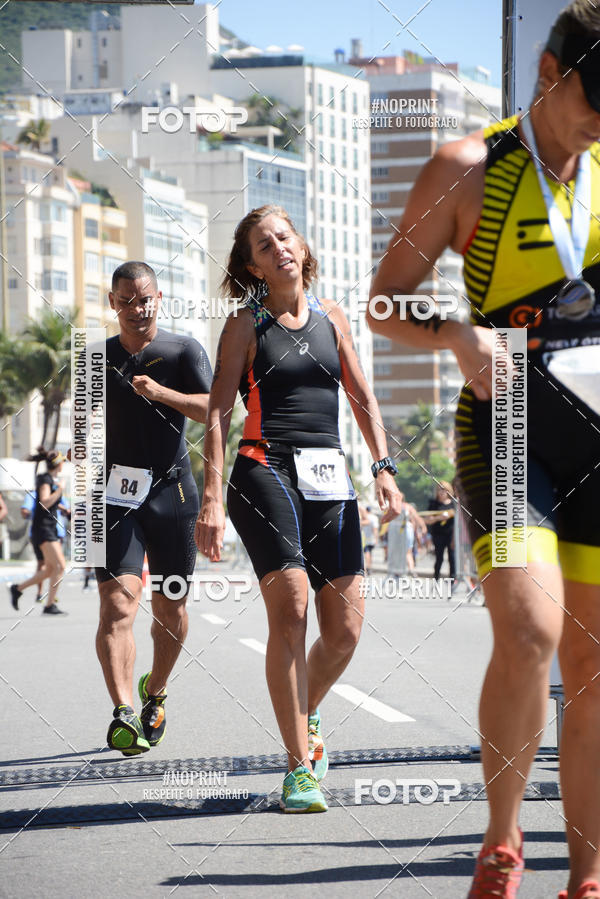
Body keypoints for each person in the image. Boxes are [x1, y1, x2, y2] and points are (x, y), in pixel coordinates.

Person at [369, 4, 600, 896]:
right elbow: (386, 299)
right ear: (549, 70)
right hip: (505, 424)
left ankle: (585, 873)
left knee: (592, 662)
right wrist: (459, 335)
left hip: (595, 431)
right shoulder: (467, 168)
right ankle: (503, 841)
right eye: (593, 95)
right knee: (532, 627)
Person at [195, 205, 402, 812]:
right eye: (264, 244)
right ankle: (297, 769)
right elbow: (216, 411)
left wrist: (384, 469)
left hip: (329, 474)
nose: (278, 247)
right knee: (292, 604)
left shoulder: (333, 316)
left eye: (284, 236)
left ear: (300, 244)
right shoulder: (244, 325)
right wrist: (210, 496)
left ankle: (305, 712)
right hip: (263, 467)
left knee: (344, 631)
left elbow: (362, 397)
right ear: (252, 264)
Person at [96, 261, 211, 757]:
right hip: (116, 496)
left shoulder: (183, 350)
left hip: (174, 495)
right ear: (112, 303)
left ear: (158, 298)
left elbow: (217, 410)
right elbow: (82, 430)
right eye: (126, 301)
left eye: (144, 299)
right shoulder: (96, 358)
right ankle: (123, 713)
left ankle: (155, 690)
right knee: (118, 604)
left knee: (171, 607)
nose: (136, 309)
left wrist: (162, 393)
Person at [10, 448, 67, 615]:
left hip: (47, 528)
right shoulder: (45, 479)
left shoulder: (49, 479)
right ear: (59, 464)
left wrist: (64, 509)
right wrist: (60, 490)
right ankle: (50, 605)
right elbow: (44, 502)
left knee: (50, 569)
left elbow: (49, 504)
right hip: (44, 529)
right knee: (61, 566)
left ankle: (17, 589)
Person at [425, 482, 456, 581]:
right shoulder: (433, 503)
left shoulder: (453, 504)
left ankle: (452, 580)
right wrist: (439, 518)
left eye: (443, 490)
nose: (441, 492)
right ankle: (436, 578)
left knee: (452, 557)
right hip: (438, 534)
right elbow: (428, 520)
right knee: (439, 558)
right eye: (439, 489)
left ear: (448, 491)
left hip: (451, 534)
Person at [359, 504, 379, 573]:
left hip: (365, 536)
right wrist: (376, 538)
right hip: (371, 537)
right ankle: (369, 566)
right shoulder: (374, 517)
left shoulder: (364, 516)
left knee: (366, 552)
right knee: (369, 552)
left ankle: (368, 567)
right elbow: (375, 529)